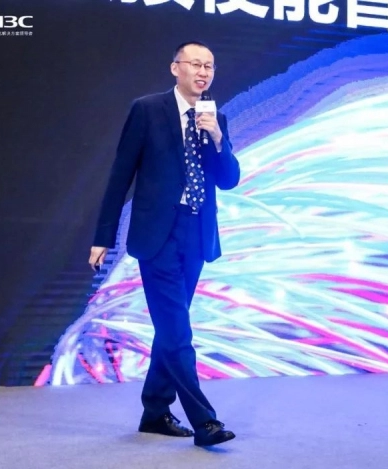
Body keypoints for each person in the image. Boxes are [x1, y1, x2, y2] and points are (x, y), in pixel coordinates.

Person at [88, 41, 240, 447]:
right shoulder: (147, 109)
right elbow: (120, 174)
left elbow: (229, 179)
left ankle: (155, 411)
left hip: (197, 233)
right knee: (177, 331)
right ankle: (205, 422)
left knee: (171, 328)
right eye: (195, 64)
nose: (203, 72)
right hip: (158, 235)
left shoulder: (216, 118)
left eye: (209, 66)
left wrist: (217, 138)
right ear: (176, 68)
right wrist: (103, 236)